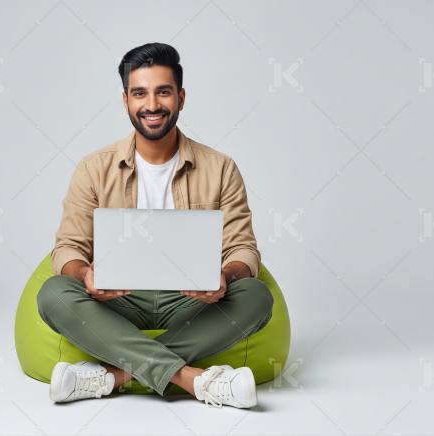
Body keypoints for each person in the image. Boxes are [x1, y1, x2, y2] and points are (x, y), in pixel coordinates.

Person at [36, 42, 273, 409]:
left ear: (180, 97)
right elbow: (68, 246)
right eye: (139, 93)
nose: (151, 105)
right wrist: (85, 275)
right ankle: (196, 381)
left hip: (191, 301)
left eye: (163, 92)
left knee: (256, 297)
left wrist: (225, 276)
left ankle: (110, 378)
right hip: (119, 300)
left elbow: (243, 248)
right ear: (126, 100)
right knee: (53, 294)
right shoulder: (93, 168)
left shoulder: (221, 167)